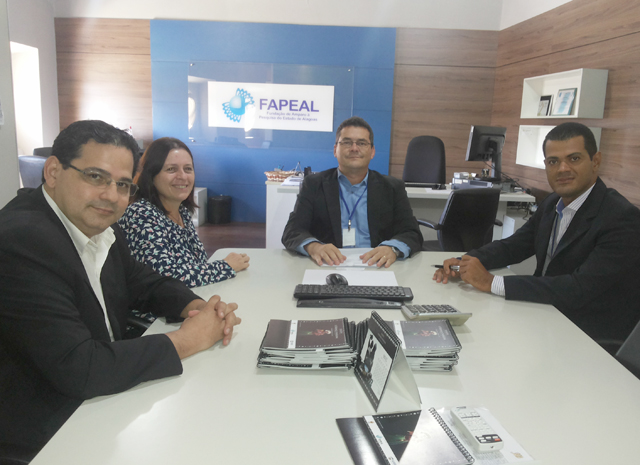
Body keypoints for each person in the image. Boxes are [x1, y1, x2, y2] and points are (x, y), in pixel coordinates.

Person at [0, 120, 241, 463]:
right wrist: (188, 339)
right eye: (95, 177)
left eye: (123, 184)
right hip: (46, 434)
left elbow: (145, 281)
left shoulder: (99, 227)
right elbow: (80, 368)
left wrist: (199, 307)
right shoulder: (22, 241)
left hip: (100, 403)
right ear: (53, 172)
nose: (111, 195)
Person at [433, 122, 640, 345]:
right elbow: (514, 246)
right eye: (553, 161)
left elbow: (579, 289)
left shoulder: (621, 218)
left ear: (595, 161)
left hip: (589, 335)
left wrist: (492, 282)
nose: (562, 168)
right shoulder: (552, 203)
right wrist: (466, 261)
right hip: (546, 315)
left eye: (574, 158)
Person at [282, 116, 423, 267]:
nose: (354, 148)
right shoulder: (313, 184)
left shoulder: (392, 187)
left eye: (362, 143)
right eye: (347, 142)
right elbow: (292, 231)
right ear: (335, 150)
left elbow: (412, 233)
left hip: (378, 266)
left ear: (372, 152)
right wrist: (314, 247)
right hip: (329, 266)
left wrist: (392, 249)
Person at [118, 137, 249, 289]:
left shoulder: (182, 212)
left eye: (188, 169)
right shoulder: (140, 214)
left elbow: (197, 264)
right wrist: (225, 266)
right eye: (171, 169)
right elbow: (165, 278)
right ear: (151, 176)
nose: (182, 176)